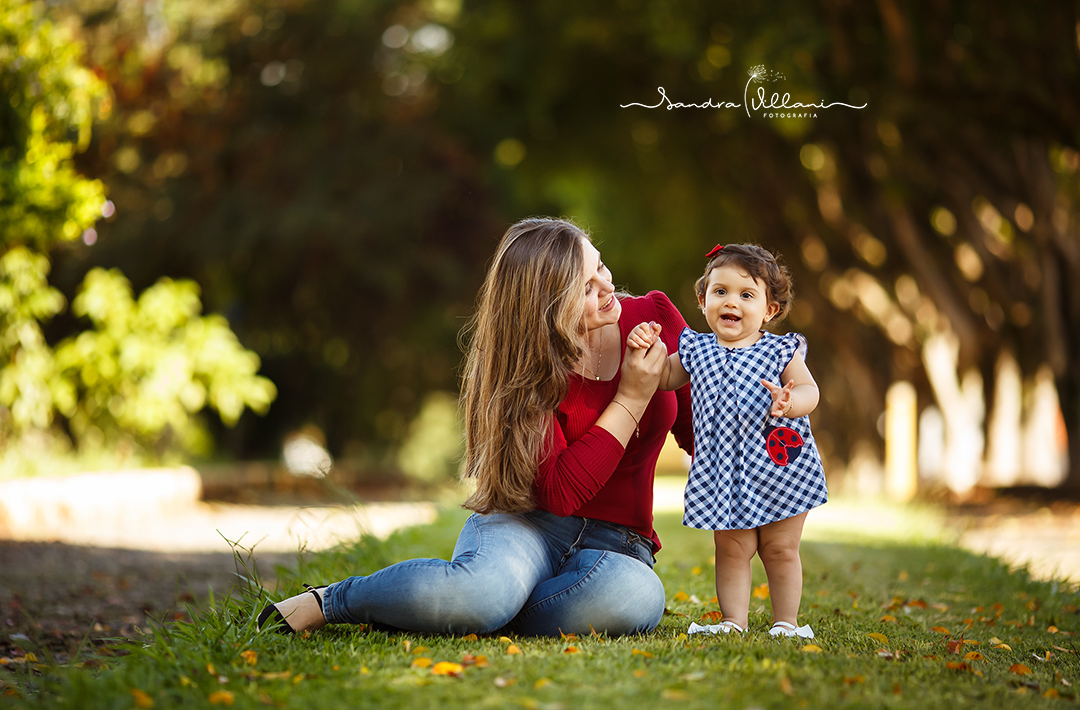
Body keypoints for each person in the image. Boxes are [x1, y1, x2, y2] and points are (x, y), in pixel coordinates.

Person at [258, 217, 694, 637]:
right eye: (585, 288)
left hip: (620, 544)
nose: (607, 287)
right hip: (528, 526)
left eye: (600, 266)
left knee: (633, 598)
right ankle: (333, 600)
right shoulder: (528, 363)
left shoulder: (655, 316)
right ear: (546, 307)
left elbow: (705, 428)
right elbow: (561, 492)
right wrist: (632, 397)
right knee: (483, 592)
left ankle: (486, 613)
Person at [626, 243, 827, 638]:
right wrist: (647, 346)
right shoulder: (695, 350)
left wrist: (789, 402)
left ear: (769, 310)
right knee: (732, 550)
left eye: (746, 295)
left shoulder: (781, 350)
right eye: (720, 292)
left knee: (780, 549)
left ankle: (786, 623)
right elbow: (663, 378)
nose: (731, 302)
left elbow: (810, 391)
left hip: (780, 467)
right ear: (703, 301)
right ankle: (734, 621)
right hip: (725, 472)